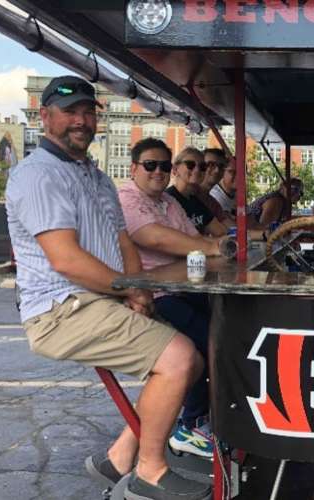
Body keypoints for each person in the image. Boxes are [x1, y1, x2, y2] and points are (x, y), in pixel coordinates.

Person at [5, 75, 211, 500]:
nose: (81, 120)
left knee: (191, 361)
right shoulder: (39, 174)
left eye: (87, 112)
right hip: (59, 307)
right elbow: (66, 260)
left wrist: (140, 291)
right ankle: (148, 473)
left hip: (100, 297)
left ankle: (118, 457)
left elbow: (122, 241)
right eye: (69, 112)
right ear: (45, 117)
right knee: (180, 358)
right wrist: (127, 291)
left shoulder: (96, 177)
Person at [118, 138, 226, 460]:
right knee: (205, 344)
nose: (159, 171)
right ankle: (190, 426)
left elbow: (192, 239)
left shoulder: (169, 202)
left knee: (227, 331)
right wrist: (209, 247)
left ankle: (212, 416)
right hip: (150, 295)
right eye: (151, 165)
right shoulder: (127, 198)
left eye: (164, 165)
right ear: (134, 168)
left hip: (183, 288)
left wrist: (206, 246)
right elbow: (153, 237)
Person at [167, 147, 227, 236]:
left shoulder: (196, 201)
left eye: (202, 167)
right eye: (190, 165)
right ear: (175, 170)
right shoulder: (167, 200)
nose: (197, 170)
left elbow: (221, 232)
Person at [195, 148, 231, 224]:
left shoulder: (213, 204)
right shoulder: (184, 196)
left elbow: (231, 227)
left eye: (221, 166)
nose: (217, 170)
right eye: (211, 165)